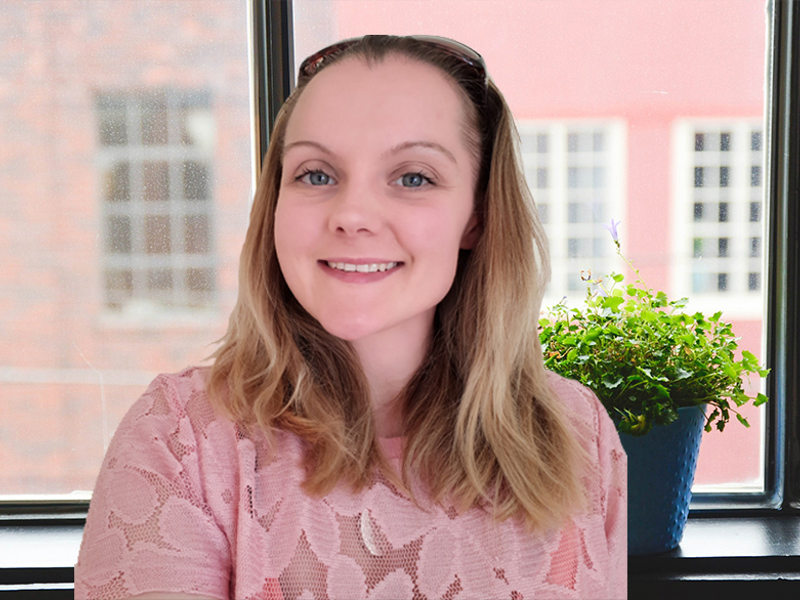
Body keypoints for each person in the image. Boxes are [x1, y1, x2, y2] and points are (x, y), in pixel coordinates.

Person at [75, 35, 626, 600]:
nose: (353, 215)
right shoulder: (179, 440)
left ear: (477, 215)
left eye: (413, 177)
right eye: (316, 174)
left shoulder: (579, 434)